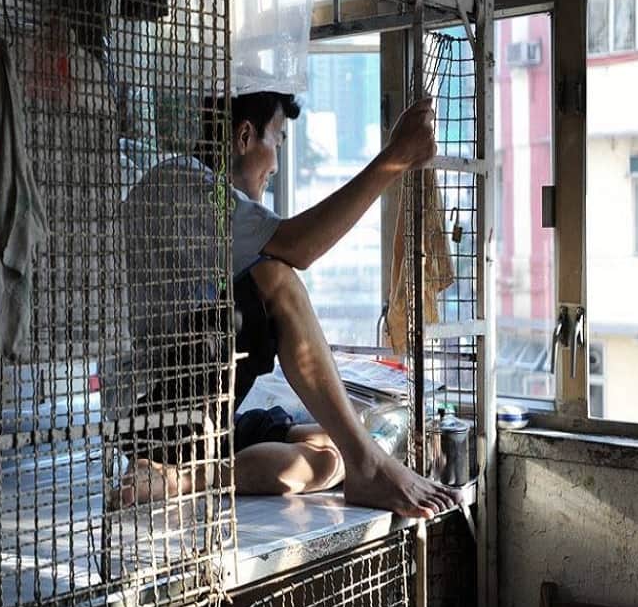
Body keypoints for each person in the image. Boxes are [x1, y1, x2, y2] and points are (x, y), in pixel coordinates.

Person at [119, 89, 459, 519]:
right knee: (275, 277)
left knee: (334, 447)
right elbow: (298, 246)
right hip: (154, 414)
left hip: (195, 420)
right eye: (277, 140)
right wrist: (394, 159)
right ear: (245, 136)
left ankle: (181, 479)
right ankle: (369, 465)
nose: (277, 165)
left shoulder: (209, 202)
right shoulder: (182, 183)